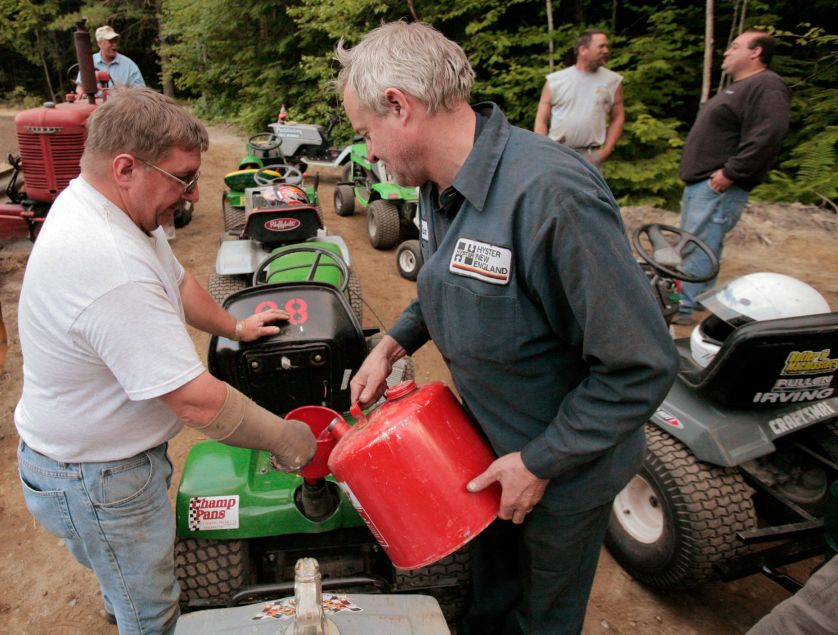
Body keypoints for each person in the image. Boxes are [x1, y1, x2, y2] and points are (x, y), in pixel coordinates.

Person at [337, 21, 677, 635]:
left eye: (366, 135)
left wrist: (540, 462)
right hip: (489, 448)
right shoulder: (441, 186)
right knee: (491, 593)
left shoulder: (551, 196)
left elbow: (640, 366)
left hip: (563, 470)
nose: (369, 155)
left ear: (399, 106)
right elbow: (449, 282)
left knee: (541, 613)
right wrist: (393, 342)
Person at [14, 87, 316, 634]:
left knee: (124, 579)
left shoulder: (105, 205)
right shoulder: (108, 263)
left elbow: (176, 281)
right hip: (99, 477)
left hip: (87, 462)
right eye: (183, 178)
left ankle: (119, 597)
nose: (195, 194)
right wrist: (287, 439)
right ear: (126, 167)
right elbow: (196, 402)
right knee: (151, 612)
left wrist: (235, 326)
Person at [674, 29, 790, 326]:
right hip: (705, 184)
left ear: (756, 53)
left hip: (718, 185)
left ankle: (682, 308)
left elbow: (768, 133)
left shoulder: (766, 85)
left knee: (697, 244)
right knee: (701, 243)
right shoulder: (741, 87)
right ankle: (695, 302)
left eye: (735, 46)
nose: (726, 52)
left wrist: (731, 172)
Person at [533, 29, 624, 166]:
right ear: (583, 50)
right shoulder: (556, 81)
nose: (606, 50)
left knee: (588, 188)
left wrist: (606, 150)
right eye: (601, 46)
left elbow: (618, 118)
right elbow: (541, 120)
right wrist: (545, 151)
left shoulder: (613, 81)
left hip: (590, 157)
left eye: (607, 46)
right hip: (557, 152)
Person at [75, 25, 146, 98]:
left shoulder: (129, 65)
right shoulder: (89, 62)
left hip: (120, 107)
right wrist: (81, 92)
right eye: (110, 41)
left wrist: (127, 92)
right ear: (99, 43)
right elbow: (79, 87)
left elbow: (142, 93)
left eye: (115, 41)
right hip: (95, 108)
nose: (115, 45)